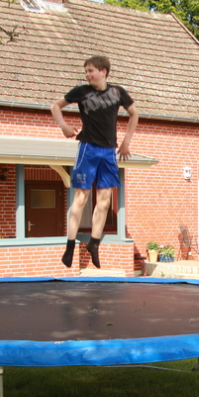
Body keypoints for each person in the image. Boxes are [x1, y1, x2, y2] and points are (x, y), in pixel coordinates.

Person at [51, 56, 138, 268]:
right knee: (81, 198)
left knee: (105, 201)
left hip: (109, 151)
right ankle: (70, 246)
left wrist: (126, 141)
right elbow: (56, 106)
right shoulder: (81, 92)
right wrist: (63, 125)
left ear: (104, 71)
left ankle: (94, 243)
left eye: (91, 71)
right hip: (88, 148)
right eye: (86, 71)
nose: (88, 75)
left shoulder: (118, 93)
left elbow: (134, 113)